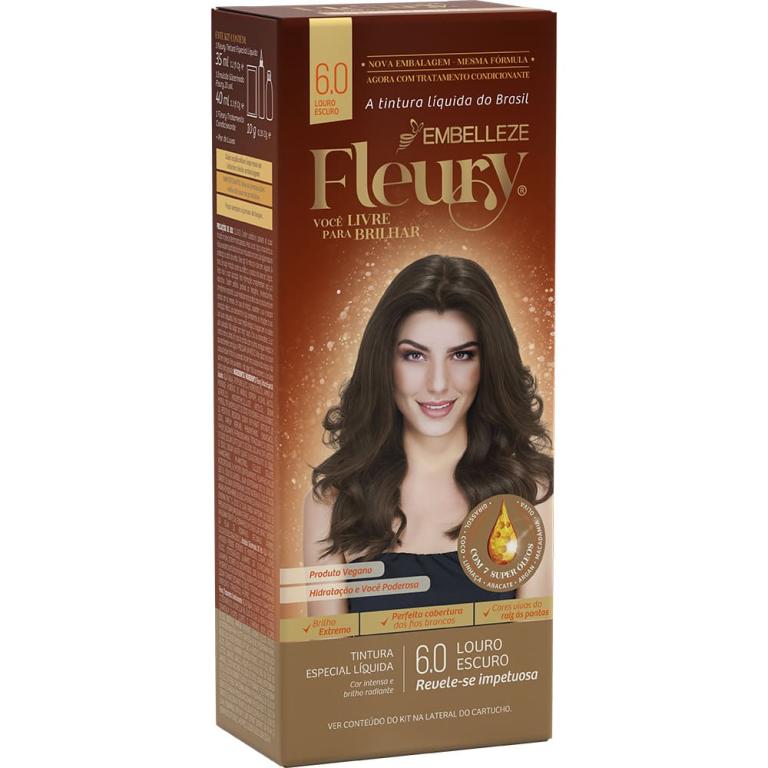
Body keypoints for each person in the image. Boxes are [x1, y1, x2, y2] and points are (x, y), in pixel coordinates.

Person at [303, 255, 553, 615]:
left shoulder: (532, 492)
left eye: (462, 355)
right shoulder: (332, 503)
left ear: (488, 364)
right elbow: (326, 649)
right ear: (384, 362)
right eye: (414, 356)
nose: (438, 384)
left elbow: (531, 644)